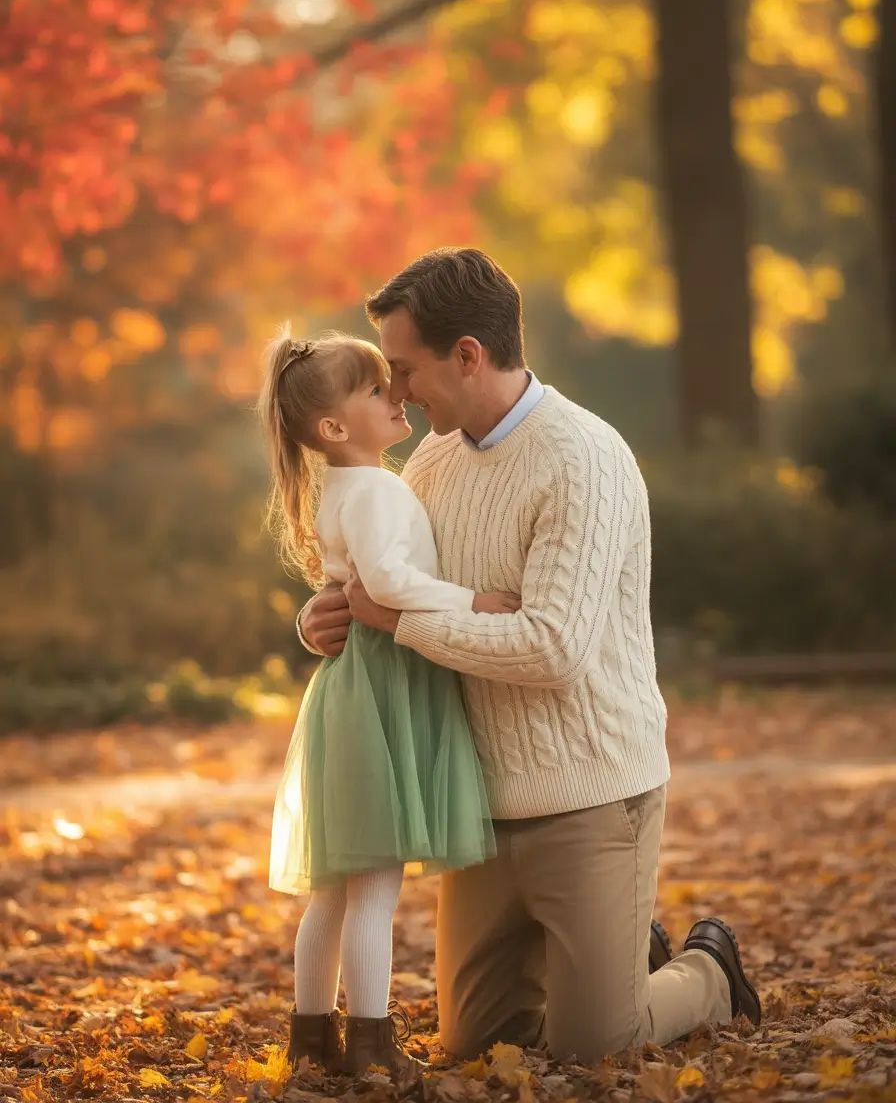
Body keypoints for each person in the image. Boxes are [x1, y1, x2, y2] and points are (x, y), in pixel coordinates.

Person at [298, 248, 762, 1065]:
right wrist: (322, 617)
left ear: (467, 355)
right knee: (476, 1045)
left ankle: (706, 973)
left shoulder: (583, 459)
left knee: (597, 1046)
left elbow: (552, 648)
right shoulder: (433, 461)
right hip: (478, 801)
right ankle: (614, 955)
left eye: (405, 369)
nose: (396, 392)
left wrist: (399, 624)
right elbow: (380, 575)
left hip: (590, 793)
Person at [259, 331, 512, 1075]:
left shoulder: (349, 484)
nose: (394, 394)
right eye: (375, 390)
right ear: (334, 427)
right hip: (384, 683)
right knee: (373, 886)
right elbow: (388, 585)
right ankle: (369, 1045)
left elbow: (357, 581)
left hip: (358, 687)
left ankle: (312, 1040)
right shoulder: (370, 488)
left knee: (335, 894)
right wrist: (474, 602)